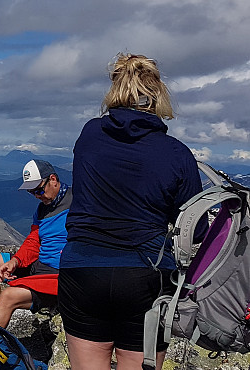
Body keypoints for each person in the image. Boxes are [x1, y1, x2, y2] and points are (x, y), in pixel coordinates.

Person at [58, 53, 202, 370]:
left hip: (83, 271)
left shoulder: (89, 135)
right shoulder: (177, 153)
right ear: (158, 95)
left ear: (115, 91)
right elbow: (197, 227)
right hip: (147, 275)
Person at [0, 158, 71, 327]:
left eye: (39, 190)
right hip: (40, 265)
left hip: (59, 275)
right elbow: (34, 240)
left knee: (9, 295)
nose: (36, 196)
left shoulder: (79, 203)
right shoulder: (42, 210)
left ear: (53, 179)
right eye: (31, 192)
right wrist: (15, 261)